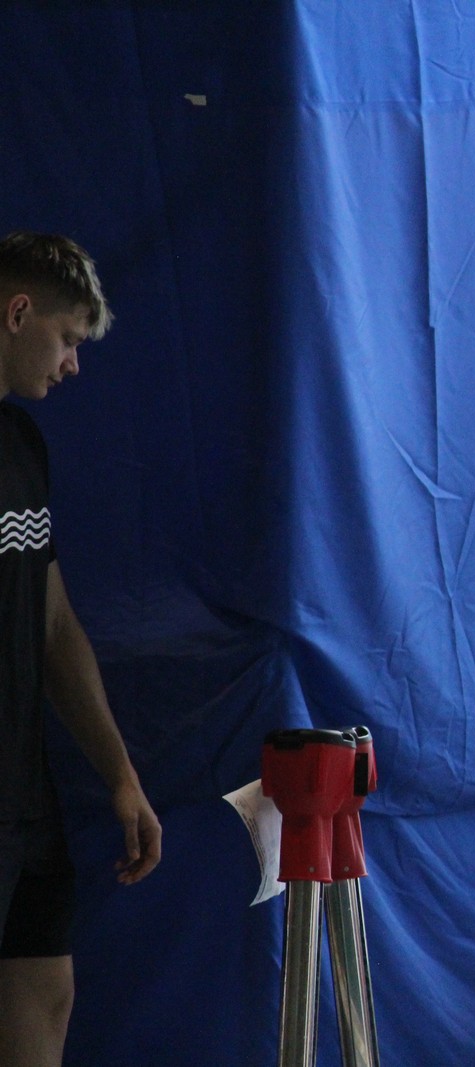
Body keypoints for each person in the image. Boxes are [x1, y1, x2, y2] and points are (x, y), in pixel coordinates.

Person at [0, 231, 162, 1066]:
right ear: (17, 311)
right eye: (67, 338)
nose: (72, 365)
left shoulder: (22, 446)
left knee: (45, 984)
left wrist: (120, 773)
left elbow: (55, 624)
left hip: (23, 788)